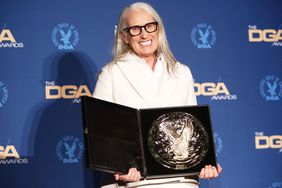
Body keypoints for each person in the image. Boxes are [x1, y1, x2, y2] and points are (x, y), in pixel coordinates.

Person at [93, 2, 222, 188]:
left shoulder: (182, 72)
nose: (144, 34)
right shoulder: (111, 73)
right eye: (135, 29)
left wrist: (204, 162)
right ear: (125, 36)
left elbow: (192, 130)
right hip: (136, 183)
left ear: (158, 30)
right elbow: (101, 135)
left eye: (149, 26)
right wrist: (119, 168)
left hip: (180, 181)